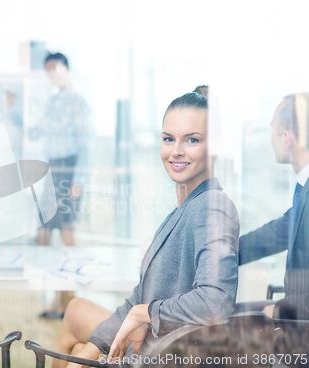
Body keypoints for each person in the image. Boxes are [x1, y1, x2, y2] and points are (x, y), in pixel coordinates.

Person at [52, 86, 240, 367]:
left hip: (162, 354)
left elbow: (216, 300)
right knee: (78, 332)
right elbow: (142, 296)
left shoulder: (212, 207)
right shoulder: (187, 207)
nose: (176, 151)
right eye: (168, 139)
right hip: (153, 344)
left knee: (76, 347)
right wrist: (97, 346)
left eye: (191, 140)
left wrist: (148, 314)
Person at [238, 92, 309, 320]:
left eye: (272, 129)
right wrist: (222, 254)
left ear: (287, 138)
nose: (270, 138)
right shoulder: (304, 190)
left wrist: (281, 310)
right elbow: (277, 233)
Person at [36, 52, 92, 319]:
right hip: (52, 167)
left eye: (55, 68)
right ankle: (60, 298)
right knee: (48, 235)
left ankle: (71, 300)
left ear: (67, 69)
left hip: (69, 169)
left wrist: (79, 180)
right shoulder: (50, 103)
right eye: (48, 70)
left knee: (68, 235)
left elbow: (86, 144)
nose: (52, 74)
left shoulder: (77, 102)